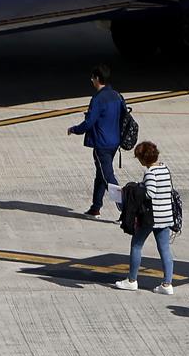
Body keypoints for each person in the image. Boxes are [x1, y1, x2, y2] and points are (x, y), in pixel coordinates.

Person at [113, 140, 177, 295]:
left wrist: (134, 190)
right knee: (165, 249)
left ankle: (132, 280)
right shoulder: (164, 169)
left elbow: (150, 193)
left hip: (151, 217)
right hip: (166, 216)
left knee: (136, 245)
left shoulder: (150, 173)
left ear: (143, 159)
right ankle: (167, 284)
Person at [66, 65, 123, 218]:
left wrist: (75, 129)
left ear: (98, 79)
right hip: (114, 142)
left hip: (102, 144)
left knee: (108, 177)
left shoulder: (97, 99)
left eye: (92, 78)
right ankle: (96, 207)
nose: (91, 80)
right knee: (101, 174)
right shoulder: (116, 95)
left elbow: (89, 122)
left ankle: (125, 209)